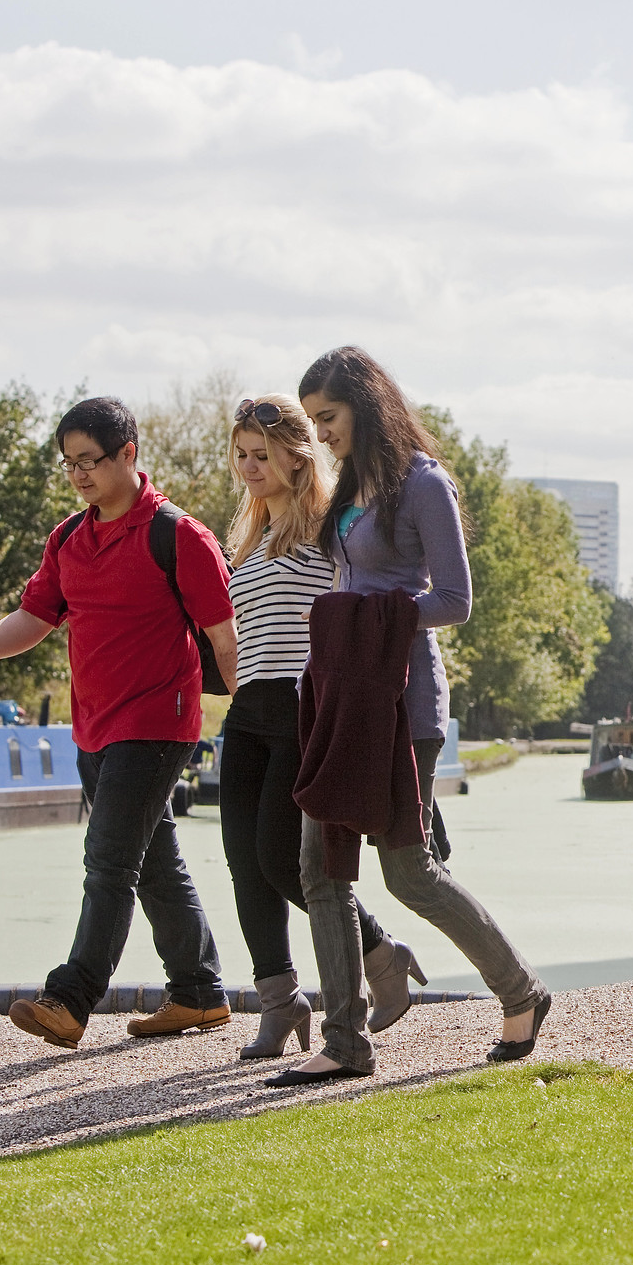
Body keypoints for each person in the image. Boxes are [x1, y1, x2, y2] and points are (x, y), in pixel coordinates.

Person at [271, 346, 551, 1088]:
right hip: (340, 697)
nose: (321, 432)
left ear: (364, 406)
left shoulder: (423, 483)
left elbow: (454, 601)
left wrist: (360, 618)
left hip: (403, 703)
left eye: (327, 417)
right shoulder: (351, 488)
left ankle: (521, 992)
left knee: (408, 872)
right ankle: (344, 1040)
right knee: (317, 867)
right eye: (314, 420)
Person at [0, 398, 238, 1049]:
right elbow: (36, 616)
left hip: (158, 723)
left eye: (89, 461)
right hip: (93, 726)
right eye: (68, 462)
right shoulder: (69, 537)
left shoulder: (179, 535)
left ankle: (70, 998)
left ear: (128, 453)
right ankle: (199, 991)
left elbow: (223, 636)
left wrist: (258, 717)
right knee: (154, 862)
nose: (77, 474)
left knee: (107, 862)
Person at [219, 395, 425, 1060]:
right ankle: (279, 1002)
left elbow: (351, 606)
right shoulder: (245, 535)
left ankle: (378, 951)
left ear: (296, 455)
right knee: (244, 862)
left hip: (300, 703)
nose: (249, 467)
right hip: (247, 708)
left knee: (283, 857)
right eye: (241, 455)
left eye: (263, 454)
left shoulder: (324, 528)